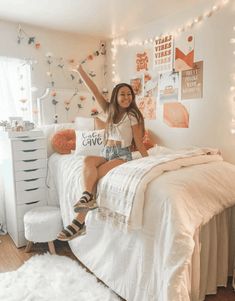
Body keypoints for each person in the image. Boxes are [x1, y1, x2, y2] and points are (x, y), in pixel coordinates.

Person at [57, 64, 148, 241]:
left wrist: (147, 162)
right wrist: (80, 70)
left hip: (122, 155)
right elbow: (94, 90)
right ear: (116, 96)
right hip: (106, 152)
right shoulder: (109, 110)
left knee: (96, 175)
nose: (126, 97)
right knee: (88, 161)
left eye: (129, 94)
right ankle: (86, 196)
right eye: (122, 94)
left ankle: (79, 220)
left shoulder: (133, 116)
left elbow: (138, 142)